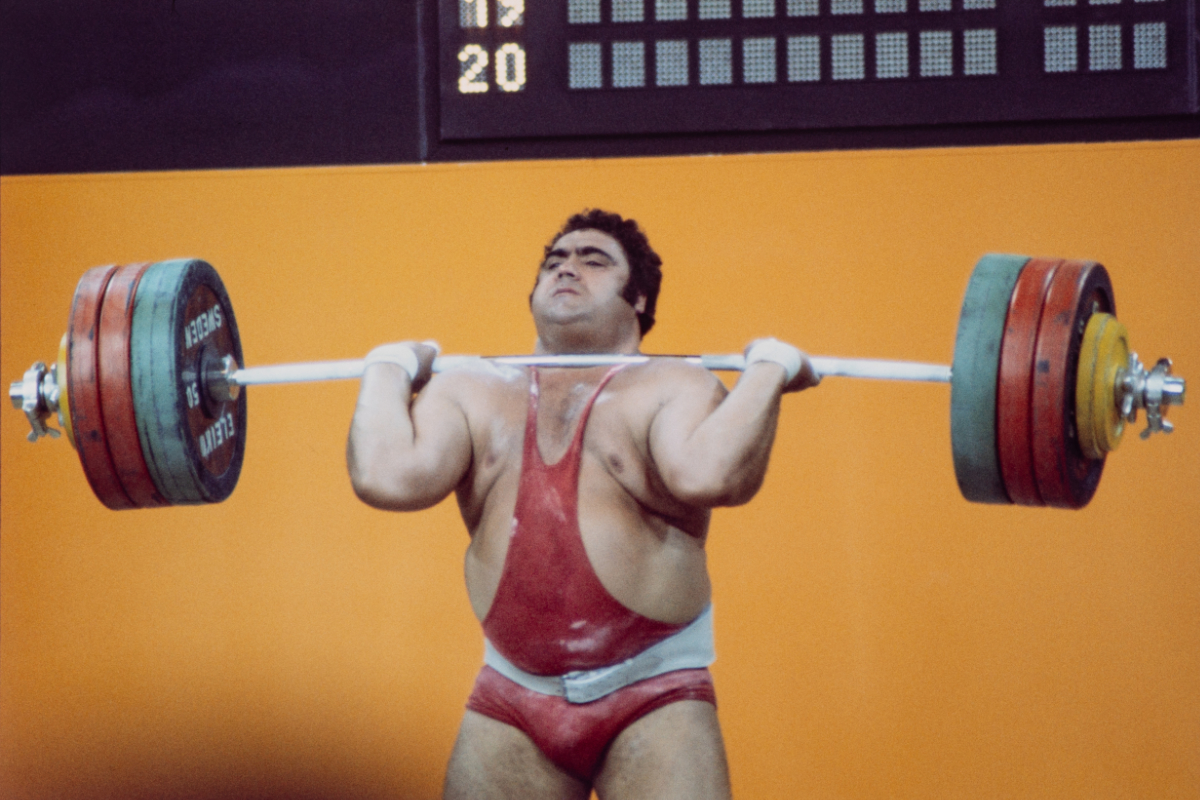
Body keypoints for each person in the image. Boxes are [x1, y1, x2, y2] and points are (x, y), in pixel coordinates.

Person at [347, 209, 820, 799]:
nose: (567, 267)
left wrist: (768, 370)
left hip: (653, 693)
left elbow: (713, 476)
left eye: (594, 260)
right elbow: (386, 478)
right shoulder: (472, 388)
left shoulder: (673, 383)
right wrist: (388, 370)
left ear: (639, 299)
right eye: (554, 260)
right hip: (512, 700)